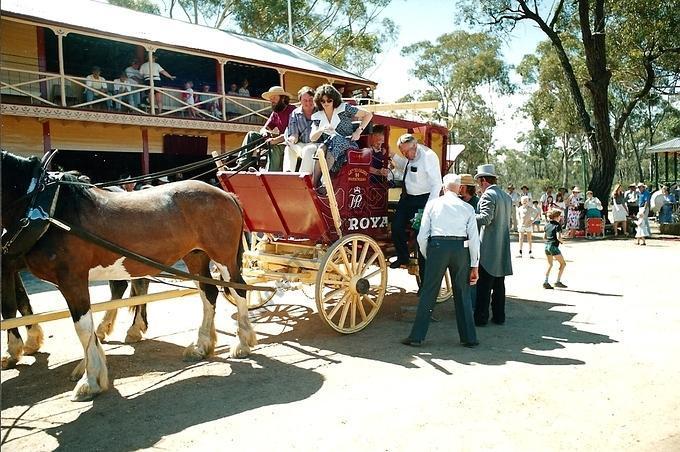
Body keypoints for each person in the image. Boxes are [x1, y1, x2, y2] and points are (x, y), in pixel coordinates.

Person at [401, 174, 480, 348]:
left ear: (443, 187)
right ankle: (469, 337)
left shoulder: (432, 204)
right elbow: (474, 239)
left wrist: (429, 254)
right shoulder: (467, 208)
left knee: (429, 292)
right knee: (462, 293)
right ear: (459, 188)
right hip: (461, 248)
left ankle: (417, 336)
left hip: (437, 247)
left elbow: (423, 236)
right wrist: (474, 264)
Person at [388, 134, 442, 276]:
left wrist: (429, 208)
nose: (405, 155)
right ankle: (403, 257)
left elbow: (437, 184)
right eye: (403, 152)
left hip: (423, 200)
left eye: (407, 152)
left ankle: (424, 282)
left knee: (421, 238)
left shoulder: (428, 157)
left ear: (415, 146)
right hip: (407, 198)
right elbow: (403, 165)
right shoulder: (408, 156)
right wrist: (392, 155)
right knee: (396, 226)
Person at [309, 84, 373, 186]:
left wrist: (358, 131)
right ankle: (314, 185)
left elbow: (368, 114)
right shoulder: (317, 116)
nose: (326, 103)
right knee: (321, 147)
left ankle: (325, 180)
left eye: (329, 100)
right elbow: (312, 138)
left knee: (334, 139)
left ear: (334, 99)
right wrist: (321, 129)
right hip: (330, 150)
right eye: (323, 101)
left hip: (349, 145)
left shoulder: (344, 108)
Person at [474, 164, 513, 326]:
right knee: (499, 285)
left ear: (483, 180)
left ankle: (481, 318)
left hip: (488, 247)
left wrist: (468, 217)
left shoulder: (488, 195)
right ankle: (499, 316)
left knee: (483, 286)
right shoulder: (505, 196)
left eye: (478, 181)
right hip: (501, 246)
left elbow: (485, 218)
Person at [238, 86, 296, 172]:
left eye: (274, 98)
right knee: (252, 135)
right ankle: (241, 165)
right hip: (277, 140)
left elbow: (292, 134)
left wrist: (275, 140)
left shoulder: (293, 111)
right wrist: (265, 132)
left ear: (283, 98)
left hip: (290, 143)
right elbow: (264, 128)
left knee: (275, 147)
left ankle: (268, 172)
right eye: (271, 98)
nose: (272, 100)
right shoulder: (275, 113)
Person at [283, 86, 318, 173]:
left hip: (317, 144)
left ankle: (303, 177)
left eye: (311, 99)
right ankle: (288, 174)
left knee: (308, 150)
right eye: (305, 100)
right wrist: (292, 139)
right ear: (300, 101)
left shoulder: (320, 112)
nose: (308, 102)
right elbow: (294, 134)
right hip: (301, 143)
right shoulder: (295, 113)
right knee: (288, 148)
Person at [543, 208, 567, 289]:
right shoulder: (557, 225)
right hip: (553, 246)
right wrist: (563, 242)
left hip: (546, 246)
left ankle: (545, 281)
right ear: (556, 217)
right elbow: (558, 237)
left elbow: (544, 237)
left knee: (550, 264)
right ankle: (558, 281)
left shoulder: (546, 225)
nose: (560, 217)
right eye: (560, 216)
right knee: (563, 264)